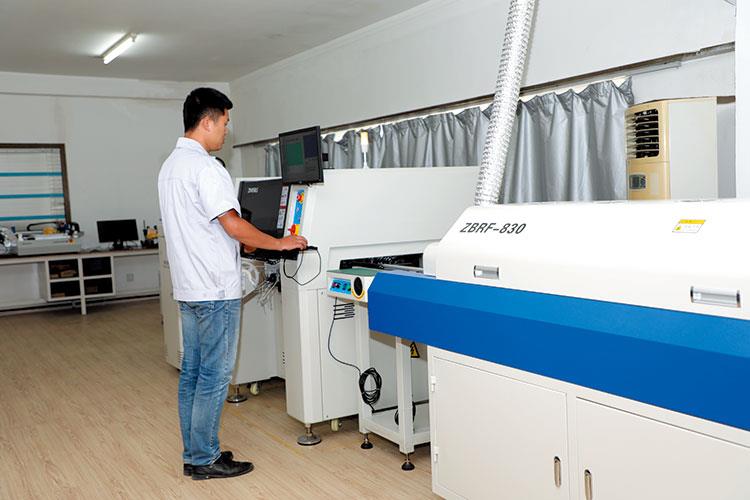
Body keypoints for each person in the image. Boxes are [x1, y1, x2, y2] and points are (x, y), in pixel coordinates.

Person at [158, 88, 307, 480]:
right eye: (224, 123)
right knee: (214, 376)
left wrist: (249, 241)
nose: (226, 131)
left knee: (193, 373)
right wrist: (279, 242)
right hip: (214, 290)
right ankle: (206, 459)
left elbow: (204, 227)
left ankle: (195, 452)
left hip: (189, 288)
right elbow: (232, 224)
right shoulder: (206, 168)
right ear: (207, 122)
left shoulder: (170, 167)